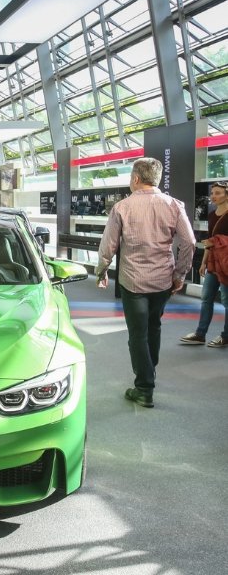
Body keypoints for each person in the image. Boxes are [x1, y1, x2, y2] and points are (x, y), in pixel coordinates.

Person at [95, 157, 195, 408]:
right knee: (154, 326)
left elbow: (109, 245)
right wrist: (180, 274)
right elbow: (189, 242)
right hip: (163, 280)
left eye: (130, 176)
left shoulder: (122, 207)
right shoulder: (174, 205)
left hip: (133, 281)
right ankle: (150, 371)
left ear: (136, 179)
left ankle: (144, 388)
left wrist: (101, 270)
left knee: (137, 334)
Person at [180, 180, 228, 348]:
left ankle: (226, 336)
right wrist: (204, 262)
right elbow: (209, 241)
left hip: (226, 263)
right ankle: (200, 334)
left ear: (226, 194)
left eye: (218, 193)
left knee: (226, 301)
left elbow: (215, 240)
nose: (213, 196)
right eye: (212, 193)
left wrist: (219, 242)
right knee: (206, 298)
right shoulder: (212, 215)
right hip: (213, 263)